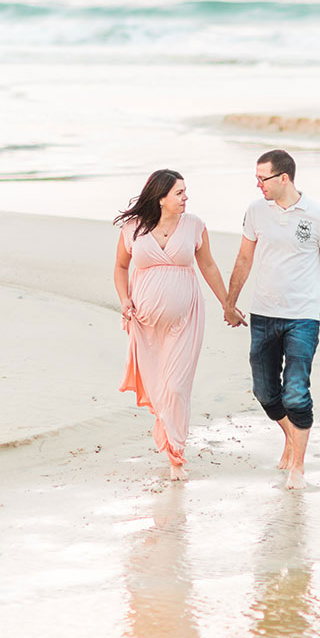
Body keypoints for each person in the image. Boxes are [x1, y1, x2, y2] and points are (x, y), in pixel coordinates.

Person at [224, 150, 320, 490]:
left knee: (296, 392)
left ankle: (298, 465)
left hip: (303, 317)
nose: (257, 184)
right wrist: (229, 302)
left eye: (262, 178)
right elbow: (243, 258)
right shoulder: (255, 211)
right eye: (256, 178)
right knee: (265, 392)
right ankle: (291, 436)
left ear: (284, 178)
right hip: (264, 313)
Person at [114, 169, 243, 481]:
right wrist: (124, 299)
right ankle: (168, 436)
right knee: (159, 387)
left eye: (185, 192)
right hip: (144, 323)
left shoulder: (195, 226)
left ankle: (176, 453)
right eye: (179, 193)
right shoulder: (133, 228)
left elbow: (208, 265)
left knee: (176, 386)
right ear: (161, 198)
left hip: (186, 320)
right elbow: (120, 266)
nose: (186, 198)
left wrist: (228, 304)